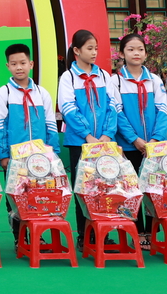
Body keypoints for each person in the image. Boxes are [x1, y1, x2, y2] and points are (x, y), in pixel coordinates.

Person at [0, 43, 58, 245]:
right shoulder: (3, 93)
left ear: (31, 64)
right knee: (16, 197)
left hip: (40, 160)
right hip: (15, 159)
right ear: (7, 66)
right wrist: (3, 155)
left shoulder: (42, 93)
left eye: (22, 63)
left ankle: (38, 236)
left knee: (39, 195)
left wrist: (52, 153)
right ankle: (20, 238)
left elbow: (50, 124)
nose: (18, 67)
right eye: (13, 64)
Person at [106, 33, 167, 250]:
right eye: (130, 49)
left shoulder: (155, 80)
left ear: (146, 53)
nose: (136, 53)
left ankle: (151, 231)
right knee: (130, 189)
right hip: (128, 146)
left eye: (140, 49)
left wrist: (156, 139)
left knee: (153, 187)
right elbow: (117, 113)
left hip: (153, 146)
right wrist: (135, 139)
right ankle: (136, 230)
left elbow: (163, 110)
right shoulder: (115, 81)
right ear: (122, 53)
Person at [57, 29, 117, 248]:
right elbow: (68, 108)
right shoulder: (68, 77)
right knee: (82, 188)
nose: (94, 53)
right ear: (76, 50)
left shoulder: (104, 76)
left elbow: (113, 106)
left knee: (105, 187)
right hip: (79, 143)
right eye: (89, 48)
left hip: (104, 143)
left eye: (96, 49)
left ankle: (103, 233)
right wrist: (88, 136)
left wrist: (107, 134)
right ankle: (84, 235)